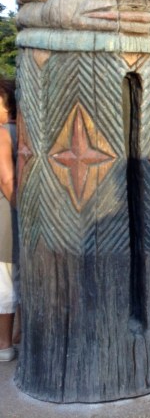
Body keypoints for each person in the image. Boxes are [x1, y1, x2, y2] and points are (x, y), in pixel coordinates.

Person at [0, 79, 17, 361]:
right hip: (13, 211)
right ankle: (16, 336)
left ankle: (4, 343)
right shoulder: (24, 130)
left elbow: (7, 179)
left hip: (6, 211)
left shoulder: (3, 133)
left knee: (5, 281)